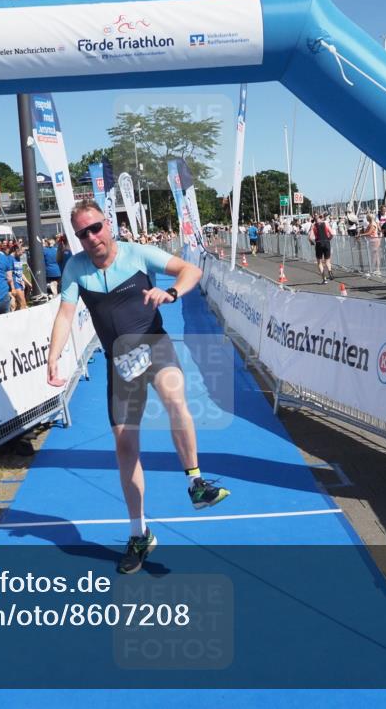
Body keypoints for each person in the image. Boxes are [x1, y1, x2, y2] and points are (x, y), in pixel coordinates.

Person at [46, 199, 230, 575]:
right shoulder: (76, 269)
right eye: (83, 233)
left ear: (108, 224)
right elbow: (65, 315)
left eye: (96, 227)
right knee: (125, 444)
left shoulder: (137, 253)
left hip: (154, 344)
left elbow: (189, 270)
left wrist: (172, 292)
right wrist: (54, 357)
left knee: (176, 400)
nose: (92, 237)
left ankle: (196, 483)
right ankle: (139, 532)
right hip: (121, 361)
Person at [308, 213, 334, 283]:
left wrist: (311, 242)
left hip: (319, 243)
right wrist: (329, 239)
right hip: (326, 242)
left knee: (319, 262)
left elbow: (310, 237)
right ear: (320, 217)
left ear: (314, 219)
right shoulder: (326, 223)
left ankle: (324, 278)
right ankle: (330, 271)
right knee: (327, 261)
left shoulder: (313, 226)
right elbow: (332, 234)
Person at [362, 211, 382, 277]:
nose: (366, 219)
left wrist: (361, 234)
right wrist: (362, 233)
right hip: (371, 240)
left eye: (367, 217)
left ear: (369, 218)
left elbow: (369, 232)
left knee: (375, 255)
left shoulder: (373, 223)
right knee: (374, 255)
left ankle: (374, 269)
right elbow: (366, 231)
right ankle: (375, 269)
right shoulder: (370, 223)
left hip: (374, 240)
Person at [10, 244, 28, 311]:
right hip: (15, 284)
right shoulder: (10, 258)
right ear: (17, 250)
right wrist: (12, 287)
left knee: (20, 305)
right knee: (23, 305)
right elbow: (9, 274)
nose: (22, 254)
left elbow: (21, 273)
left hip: (20, 284)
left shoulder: (18, 258)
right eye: (22, 252)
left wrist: (28, 284)